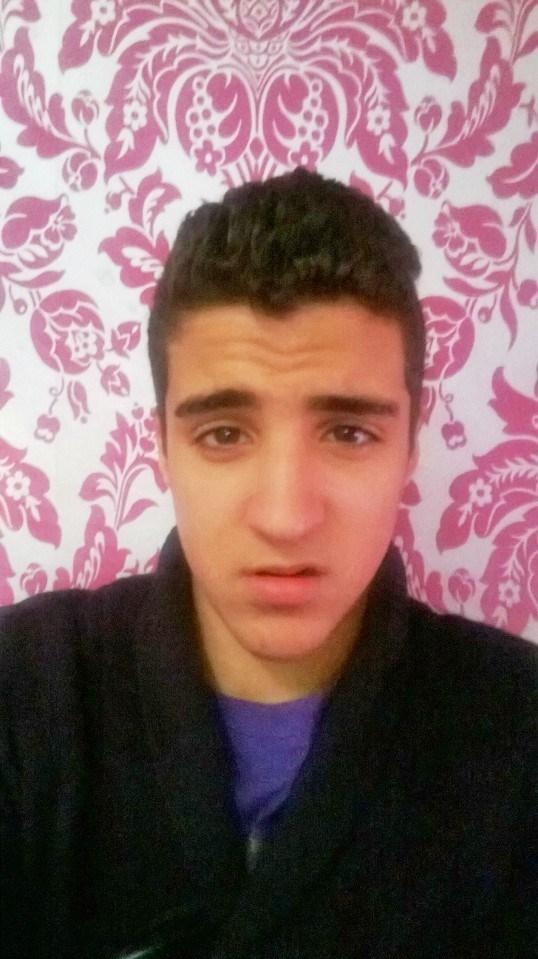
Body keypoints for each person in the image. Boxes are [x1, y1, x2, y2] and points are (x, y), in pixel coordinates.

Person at [0, 169, 536, 959]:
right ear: (162, 447)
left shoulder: (518, 729)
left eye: (349, 433)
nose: (285, 517)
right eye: (223, 433)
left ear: (411, 446)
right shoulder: (23, 690)